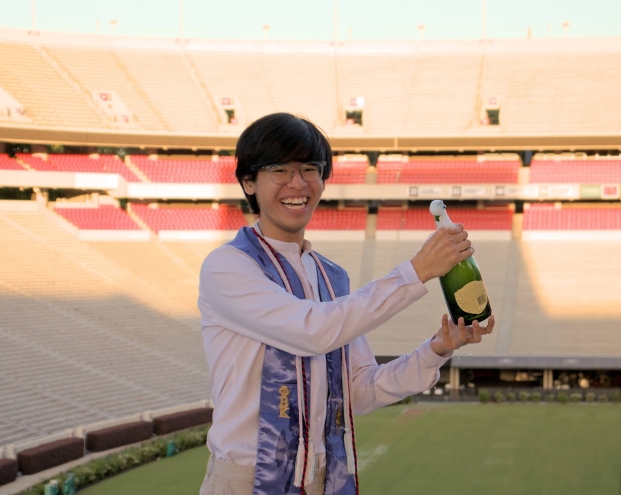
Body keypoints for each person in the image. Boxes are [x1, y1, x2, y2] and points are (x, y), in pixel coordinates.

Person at [198, 113, 495, 495]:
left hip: (323, 477)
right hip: (246, 480)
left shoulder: (330, 276)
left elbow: (360, 390)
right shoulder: (228, 266)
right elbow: (313, 330)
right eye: (280, 170)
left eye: (310, 168)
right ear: (248, 182)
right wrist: (416, 271)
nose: (298, 183)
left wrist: (436, 350)